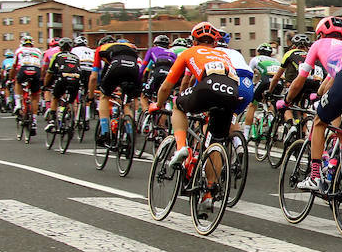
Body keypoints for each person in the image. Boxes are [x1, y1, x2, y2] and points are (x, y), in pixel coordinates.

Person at [151, 22, 240, 213]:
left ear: (193, 40)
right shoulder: (223, 54)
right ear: (215, 42)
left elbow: (167, 87)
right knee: (215, 141)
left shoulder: (188, 53)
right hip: (232, 92)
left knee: (177, 105)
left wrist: (157, 105)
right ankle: (208, 193)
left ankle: (182, 148)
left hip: (207, 88)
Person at [283, 17, 342, 191]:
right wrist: (321, 94)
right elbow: (330, 80)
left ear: (320, 34)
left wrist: (286, 100)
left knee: (319, 122)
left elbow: (299, 80)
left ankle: (315, 177)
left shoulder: (318, 45)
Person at [90, 35, 142, 143]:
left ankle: (105, 132)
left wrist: (90, 96)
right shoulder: (129, 46)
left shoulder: (100, 50)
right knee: (126, 104)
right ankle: (130, 136)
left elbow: (94, 76)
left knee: (104, 96)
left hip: (117, 66)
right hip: (134, 69)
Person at [42, 38, 84, 131]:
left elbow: (50, 72)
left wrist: (45, 85)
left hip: (63, 78)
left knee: (55, 97)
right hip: (76, 79)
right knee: (71, 101)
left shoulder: (57, 55)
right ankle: (70, 115)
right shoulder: (76, 57)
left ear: (60, 48)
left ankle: (52, 122)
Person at [13, 35, 45, 134]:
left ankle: (18, 104)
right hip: (36, 70)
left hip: (24, 69)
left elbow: (14, 66)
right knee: (35, 97)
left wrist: (11, 77)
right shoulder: (38, 51)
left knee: (17, 82)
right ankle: (34, 121)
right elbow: (42, 66)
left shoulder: (19, 50)